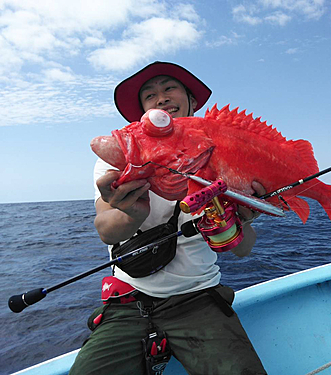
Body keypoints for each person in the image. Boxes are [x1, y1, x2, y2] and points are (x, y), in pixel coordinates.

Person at [69, 61, 267, 375]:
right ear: (144, 114)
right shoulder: (123, 158)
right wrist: (133, 214)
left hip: (198, 299)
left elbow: (243, 250)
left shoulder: (219, 156)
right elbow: (106, 230)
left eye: (169, 88)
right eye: (149, 95)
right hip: (128, 302)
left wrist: (243, 217)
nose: (160, 98)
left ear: (192, 101)